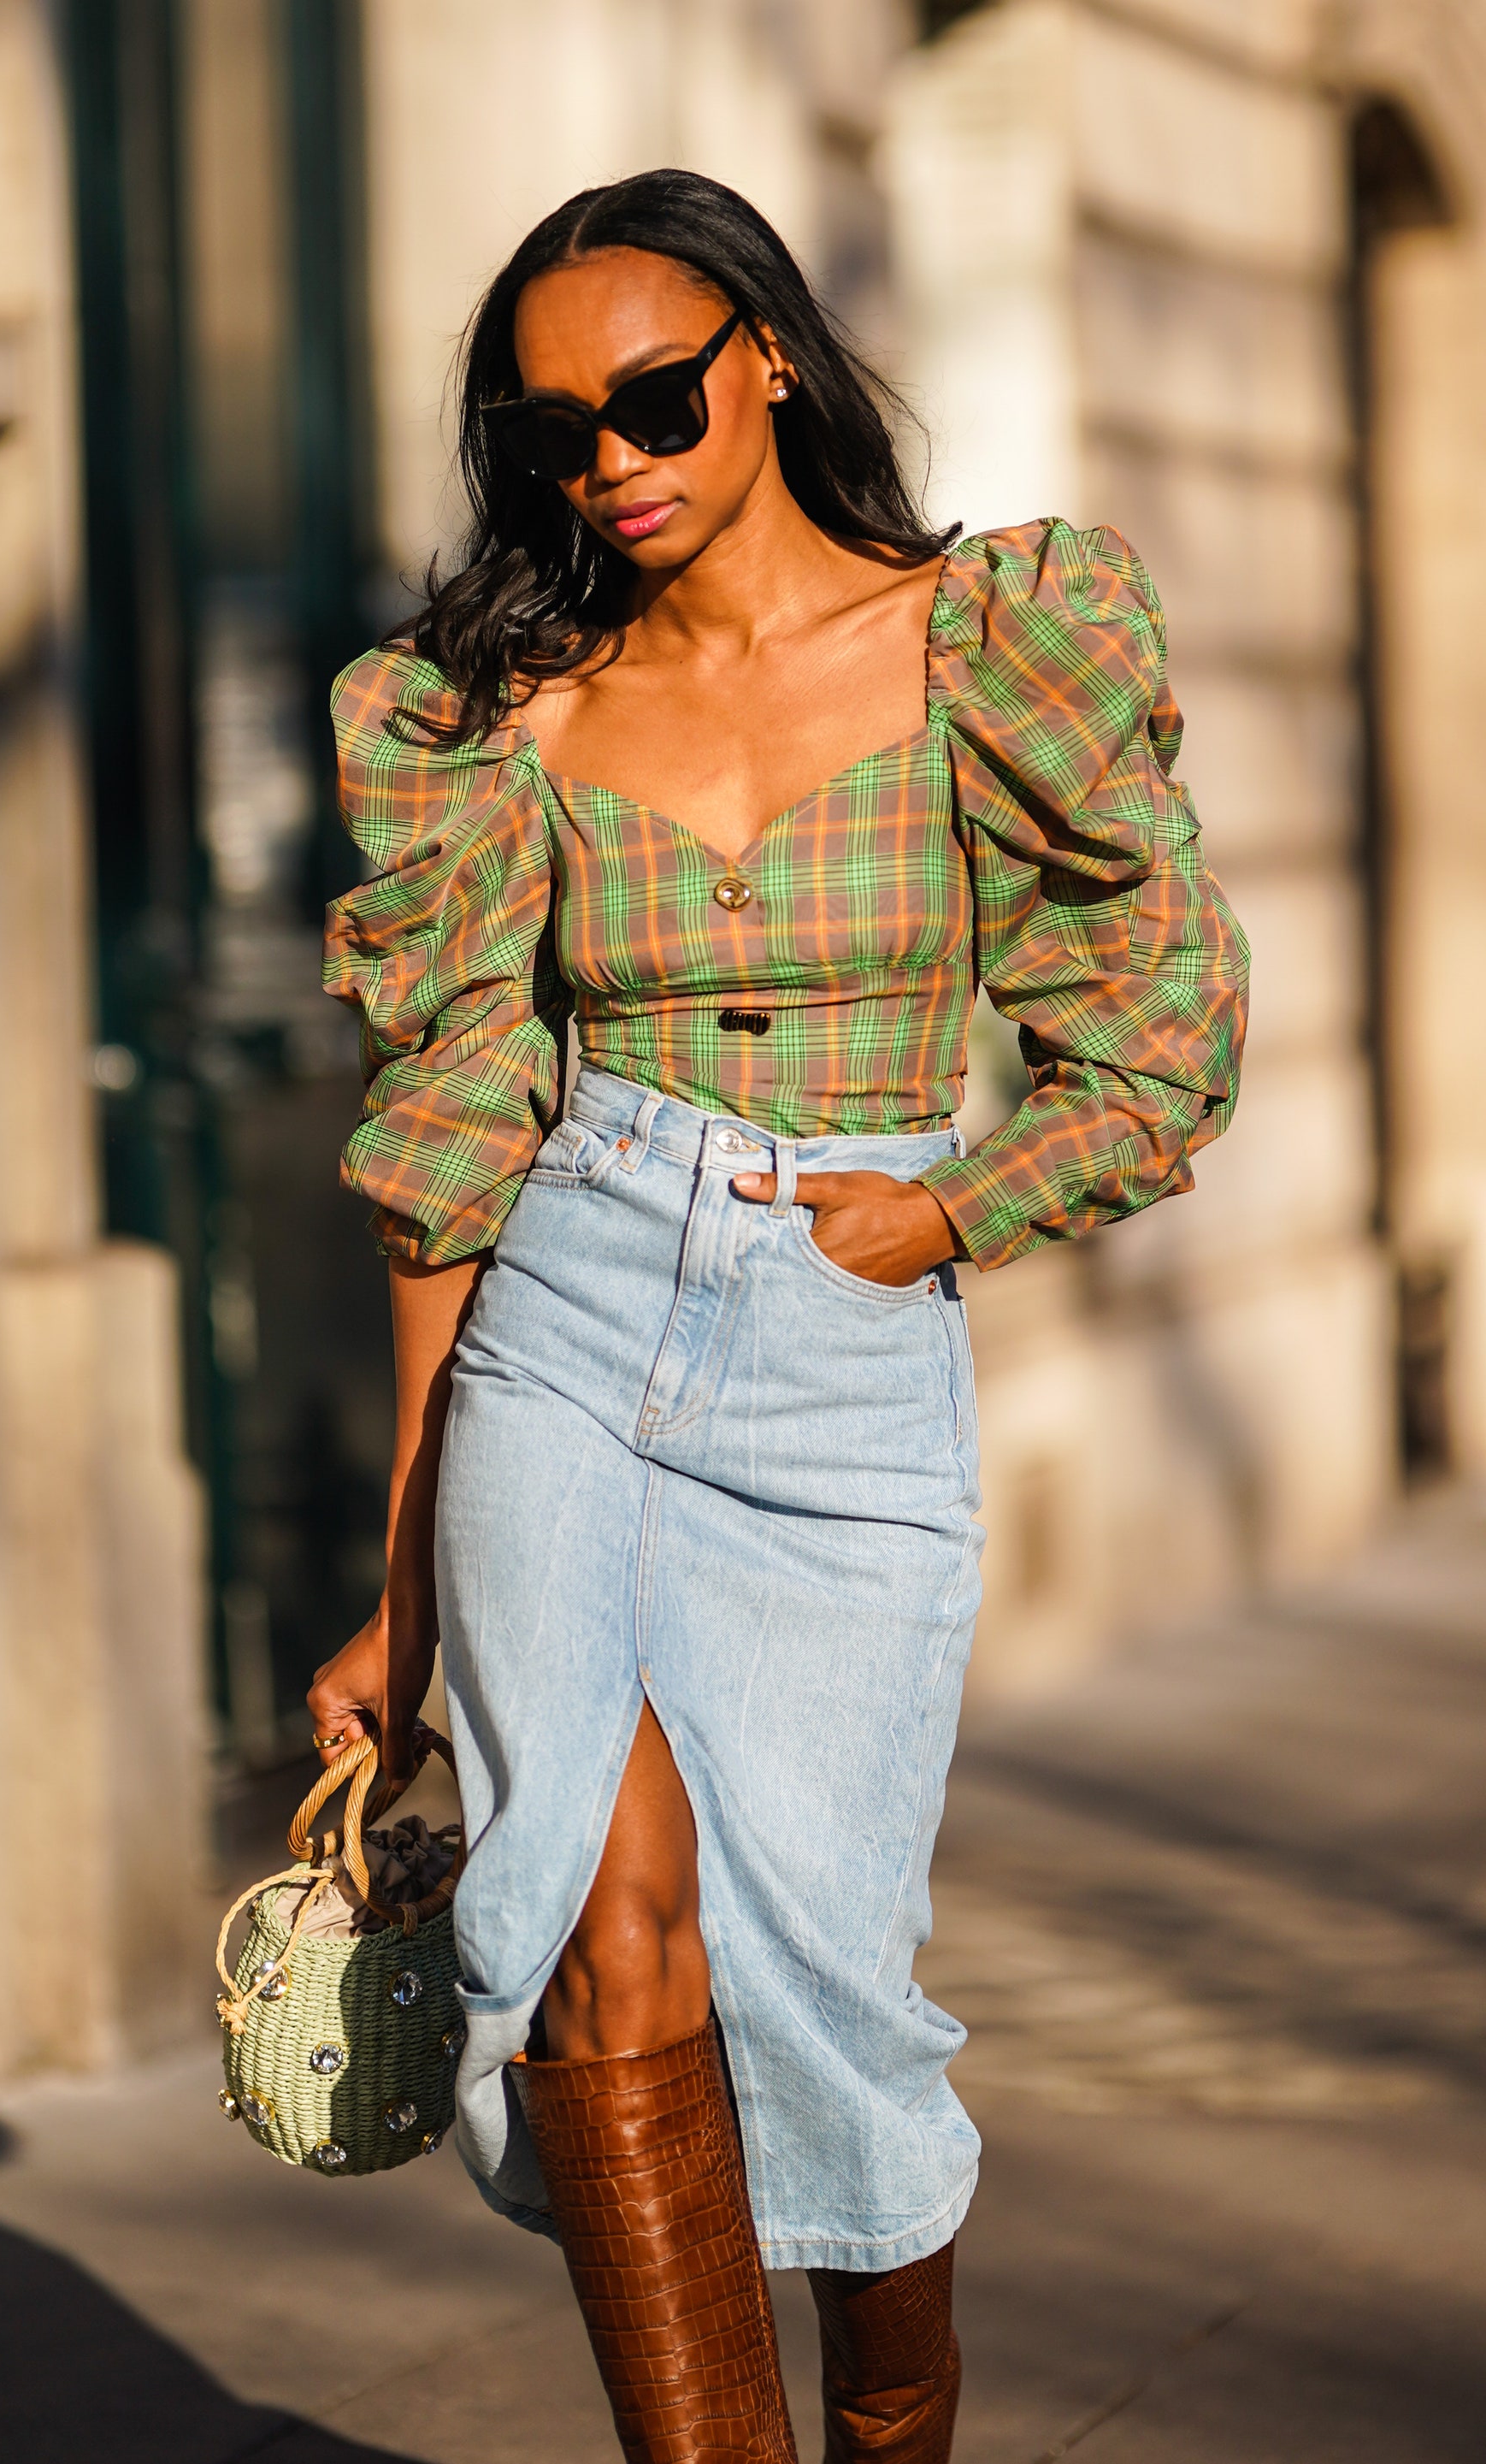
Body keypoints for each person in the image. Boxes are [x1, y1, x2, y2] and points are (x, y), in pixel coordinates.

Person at [306, 168, 1247, 2462]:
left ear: (770, 361)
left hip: (840, 1352)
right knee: (598, 1927)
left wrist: (944, 1222)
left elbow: (1161, 1031)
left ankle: (895, 2431)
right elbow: (449, 1139)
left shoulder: (989, 647)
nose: (604, 457)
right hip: (570, 1306)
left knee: (829, 1995)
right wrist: (404, 1571)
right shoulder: (506, 718)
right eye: (550, 432)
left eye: (646, 397)